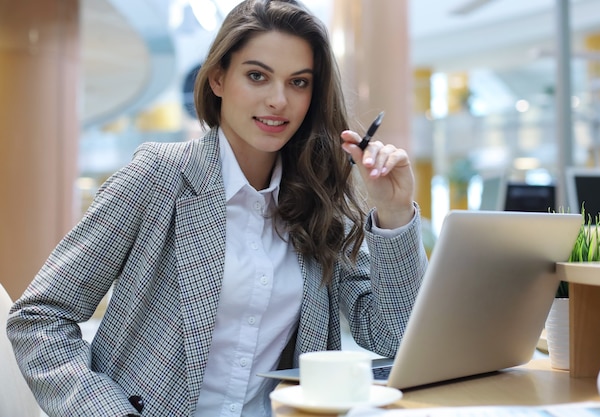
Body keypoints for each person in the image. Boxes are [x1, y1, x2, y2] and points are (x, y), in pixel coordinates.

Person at [7, 0, 428, 416]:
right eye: (257, 76)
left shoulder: (319, 203)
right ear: (218, 79)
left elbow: (394, 340)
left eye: (298, 82)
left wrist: (392, 213)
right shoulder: (159, 176)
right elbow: (40, 317)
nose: (278, 99)